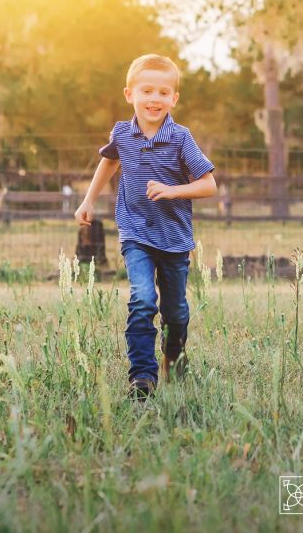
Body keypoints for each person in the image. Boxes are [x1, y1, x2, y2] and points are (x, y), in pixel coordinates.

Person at [74, 54, 217, 400]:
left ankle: (174, 355)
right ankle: (142, 377)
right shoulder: (122, 133)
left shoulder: (181, 138)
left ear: (174, 99)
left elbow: (209, 185)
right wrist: (89, 200)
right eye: (147, 90)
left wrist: (173, 190)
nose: (155, 99)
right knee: (141, 300)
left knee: (176, 311)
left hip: (174, 237)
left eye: (163, 92)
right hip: (135, 231)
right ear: (130, 94)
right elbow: (109, 162)